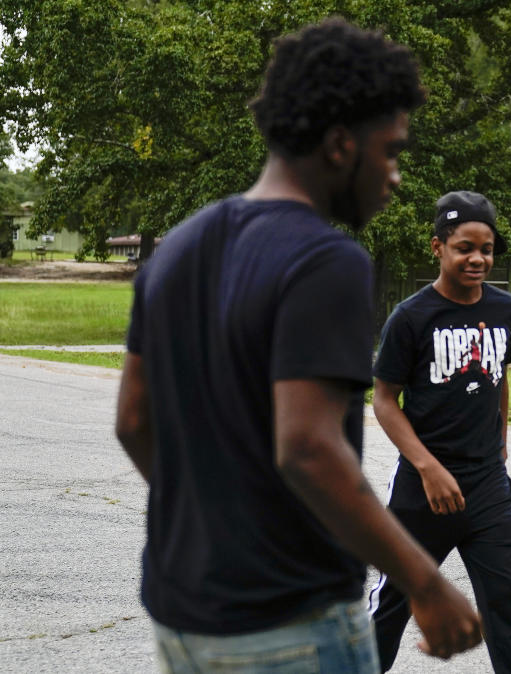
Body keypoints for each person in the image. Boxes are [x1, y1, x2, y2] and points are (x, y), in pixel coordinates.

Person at [114, 21, 482, 672]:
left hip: (182, 614)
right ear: (341, 145)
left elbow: (134, 421)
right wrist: (425, 584)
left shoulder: (179, 249)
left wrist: (217, 520)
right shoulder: (325, 259)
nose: (395, 178)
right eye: (390, 153)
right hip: (291, 624)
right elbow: (308, 448)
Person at [368, 191, 511, 673]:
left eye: (486, 248)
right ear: (438, 246)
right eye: (465, 247)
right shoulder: (412, 318)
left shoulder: (505, 309)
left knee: (509, 608)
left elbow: (498, 377)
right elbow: (383, 400)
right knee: (391, 605)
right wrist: (427, 467)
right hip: (423, 490)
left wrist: (500, 448)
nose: (478, 258)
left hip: (486, 488)